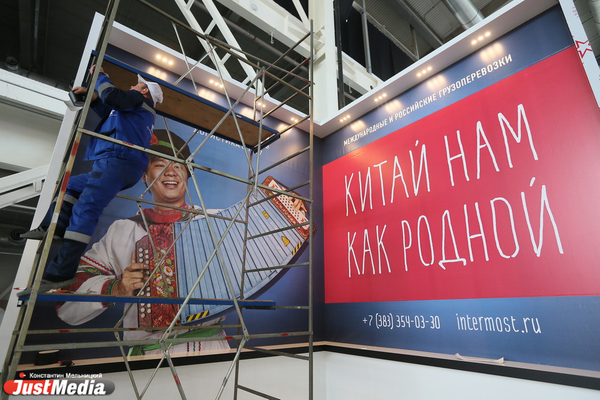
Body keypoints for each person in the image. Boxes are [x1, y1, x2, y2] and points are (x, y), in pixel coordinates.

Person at [57, 130, 230, 355]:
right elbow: (67, 302)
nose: (171, 172)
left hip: (211, 349)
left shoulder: (218, 221)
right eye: (159, 165)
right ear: (145, 176)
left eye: (178, 166)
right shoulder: (123, 230)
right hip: (149, 354)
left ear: (188, 176)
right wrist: (117, 288)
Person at [18, 66, 163, 297]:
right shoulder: (133, 110)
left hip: (117, 160)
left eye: (136, 84)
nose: (132, 86)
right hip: (120, 162)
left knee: (86, 208)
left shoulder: (138, 100)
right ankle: (54, 227)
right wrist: (93, 97)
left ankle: (60, 272)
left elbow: (111, 95)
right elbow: (109, 110)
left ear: (144, 91)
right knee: (72, 185)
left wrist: (101, 76)